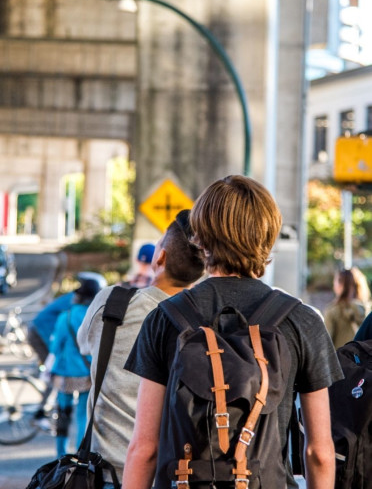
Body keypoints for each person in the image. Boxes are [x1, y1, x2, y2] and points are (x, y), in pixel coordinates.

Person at [123, 175, 343, 489]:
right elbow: (319, 451)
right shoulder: (302, 321)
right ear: (268, 235)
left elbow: (144, 449)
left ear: (199, 238)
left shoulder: (164, 319)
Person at [77, 210, 205, 487]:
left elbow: (85, 344)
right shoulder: (201, 324)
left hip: (103, 472)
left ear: (159, 258)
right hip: (168, 476)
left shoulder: (111, 302)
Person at [47, 276, 104, 457]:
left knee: (63, 414)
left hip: (65, 372)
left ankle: (60, 456)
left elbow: (55, 347)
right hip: (88, 372)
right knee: (83, 416)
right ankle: (81, 456)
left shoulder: (66, 316)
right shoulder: (97, 317)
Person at [28, 271, 107, 365]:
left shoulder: (76, 300)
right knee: (55, 364)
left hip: (40, 329)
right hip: (41, 331)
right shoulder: (78, 304)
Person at [324, 268, 366, 348]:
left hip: (340, 358)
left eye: (335, 281)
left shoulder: (333, 311)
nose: (334, 284)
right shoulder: (362, 308)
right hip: (359, 359)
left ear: (341, 284)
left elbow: (326, 344)